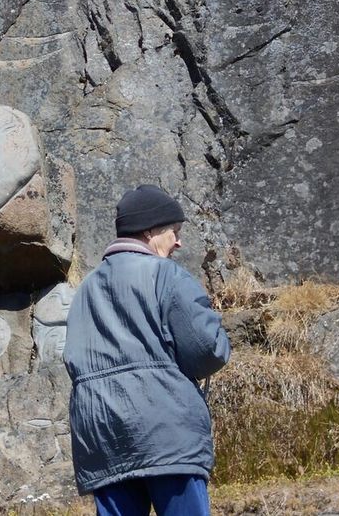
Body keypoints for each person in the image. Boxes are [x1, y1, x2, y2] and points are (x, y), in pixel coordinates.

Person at [63, 185, 231, 516]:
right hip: (164, 428)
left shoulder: (84, 290)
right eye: (175, 232)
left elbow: (73, 360)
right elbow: (207, 348)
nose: (179, 241)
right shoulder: (165, 274)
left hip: (102, 433)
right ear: (151, 230)